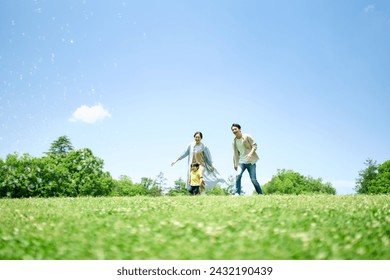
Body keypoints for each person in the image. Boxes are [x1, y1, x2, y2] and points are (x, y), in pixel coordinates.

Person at [231, 123, 263, 195]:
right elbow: (235, 153)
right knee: (238, 175)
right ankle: (237, 193)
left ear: (239, 129)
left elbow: (254, 146)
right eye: (232, 130)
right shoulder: (234, 141)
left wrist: (250, 154)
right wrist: (235, 164)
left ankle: (260, 193)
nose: (234, 131)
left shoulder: (247, 136)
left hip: (250, 162)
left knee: (253, 180)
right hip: (241, 162)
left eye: (235, 129)